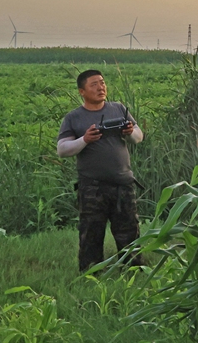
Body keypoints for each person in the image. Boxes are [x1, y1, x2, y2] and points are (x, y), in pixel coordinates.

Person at [56, 69, 144, 272]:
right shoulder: (74, 118)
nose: (100, 87)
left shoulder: (119, 109)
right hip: (92, 187)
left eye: (102, 83)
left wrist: (130, 132)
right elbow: (62, 150)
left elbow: (139, 136)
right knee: (91, 234)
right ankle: (91, 272)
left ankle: (133, 271)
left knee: (129, 232)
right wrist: (85, 139)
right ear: (82, 91)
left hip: (123, 183)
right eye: (94, 84)